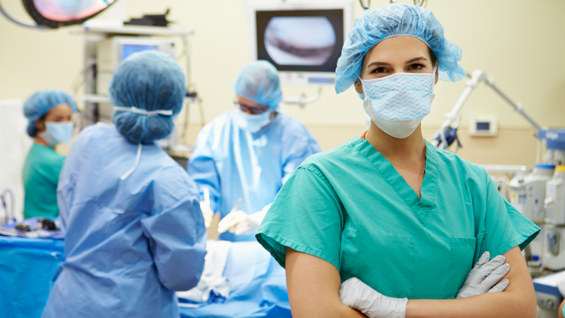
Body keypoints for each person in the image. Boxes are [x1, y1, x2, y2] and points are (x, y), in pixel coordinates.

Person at [256, 4, 540, 318]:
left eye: (415, 66)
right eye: (381, 70)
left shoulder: (472, 184)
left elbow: (522, 308)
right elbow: (318, 313)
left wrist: (393, 310)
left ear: (434, 76)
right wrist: (463, 311)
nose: (400, 80)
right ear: (358, 83)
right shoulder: (320, 181)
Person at [41, 51, 207, 318]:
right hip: (131, 307)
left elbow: (68, 209)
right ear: (174, 105)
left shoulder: (88, 141)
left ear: (118, 93)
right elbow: (182, 276)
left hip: (69, 303)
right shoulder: (172, 182)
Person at [188, 60, 321, 242]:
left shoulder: (295, 138)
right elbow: (203, 181)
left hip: (280, 248)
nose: (247, 114)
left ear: (272, 105)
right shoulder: (217, 131)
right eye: (242, 107)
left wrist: (259, 220)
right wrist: (204, 203)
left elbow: (298, 197)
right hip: (232, 245)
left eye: (256, 109)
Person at [22, 90, 76, 219]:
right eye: (58, 120)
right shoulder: (53, 161)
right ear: (39, 123)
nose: (66, 124)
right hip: (48, 229)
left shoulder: (37, 151)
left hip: (34, 223)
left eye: (69, 118)